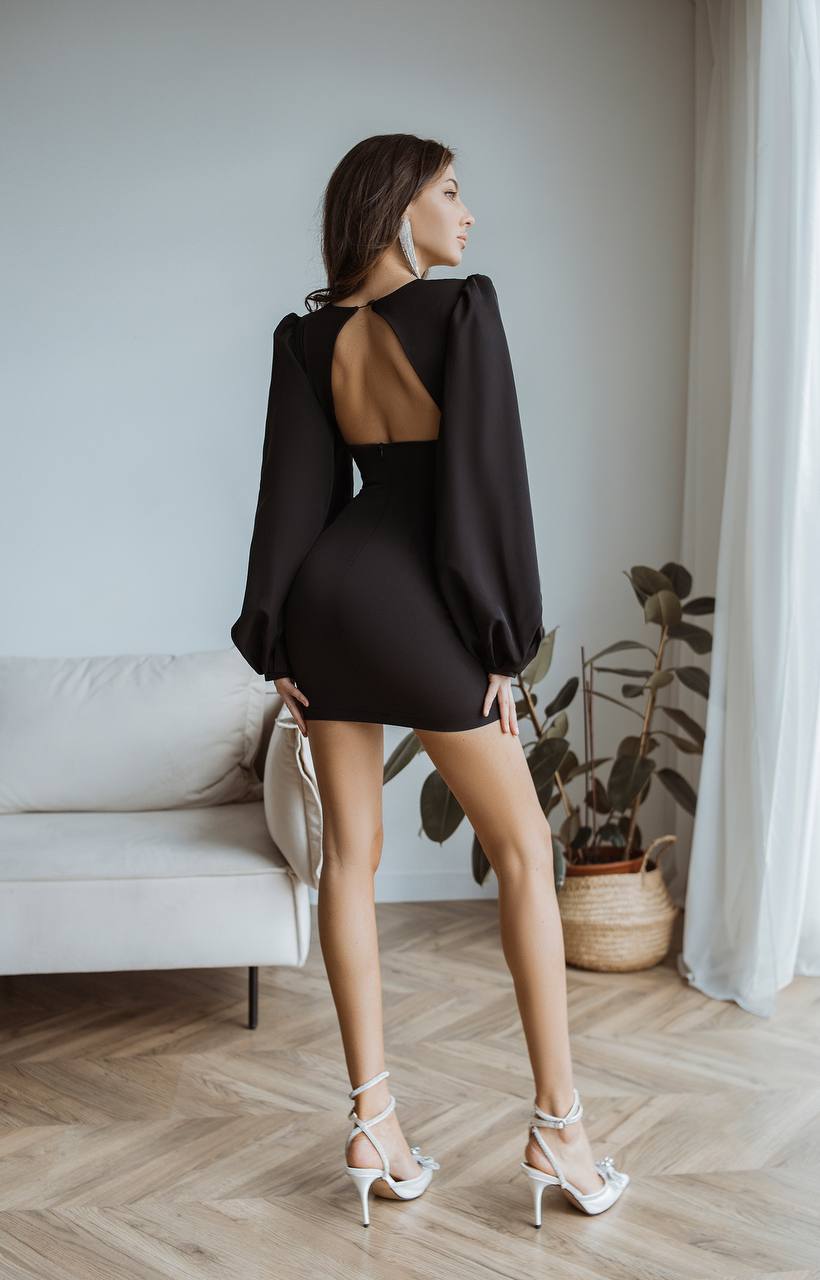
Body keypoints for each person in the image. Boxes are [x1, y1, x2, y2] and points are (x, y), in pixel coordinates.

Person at [230, 133, 629, 1227]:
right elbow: (482, 486)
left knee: (349, 860)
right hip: (418, 605)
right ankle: (560, 1127)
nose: (467, 213)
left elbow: (292, 497)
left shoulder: (305, 337)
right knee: (522, 848)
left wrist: (278, 644)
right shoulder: (460, 314)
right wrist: (499, 642)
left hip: (324, 601)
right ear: (400, 206)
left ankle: (373, 1120)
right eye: (450, 193)